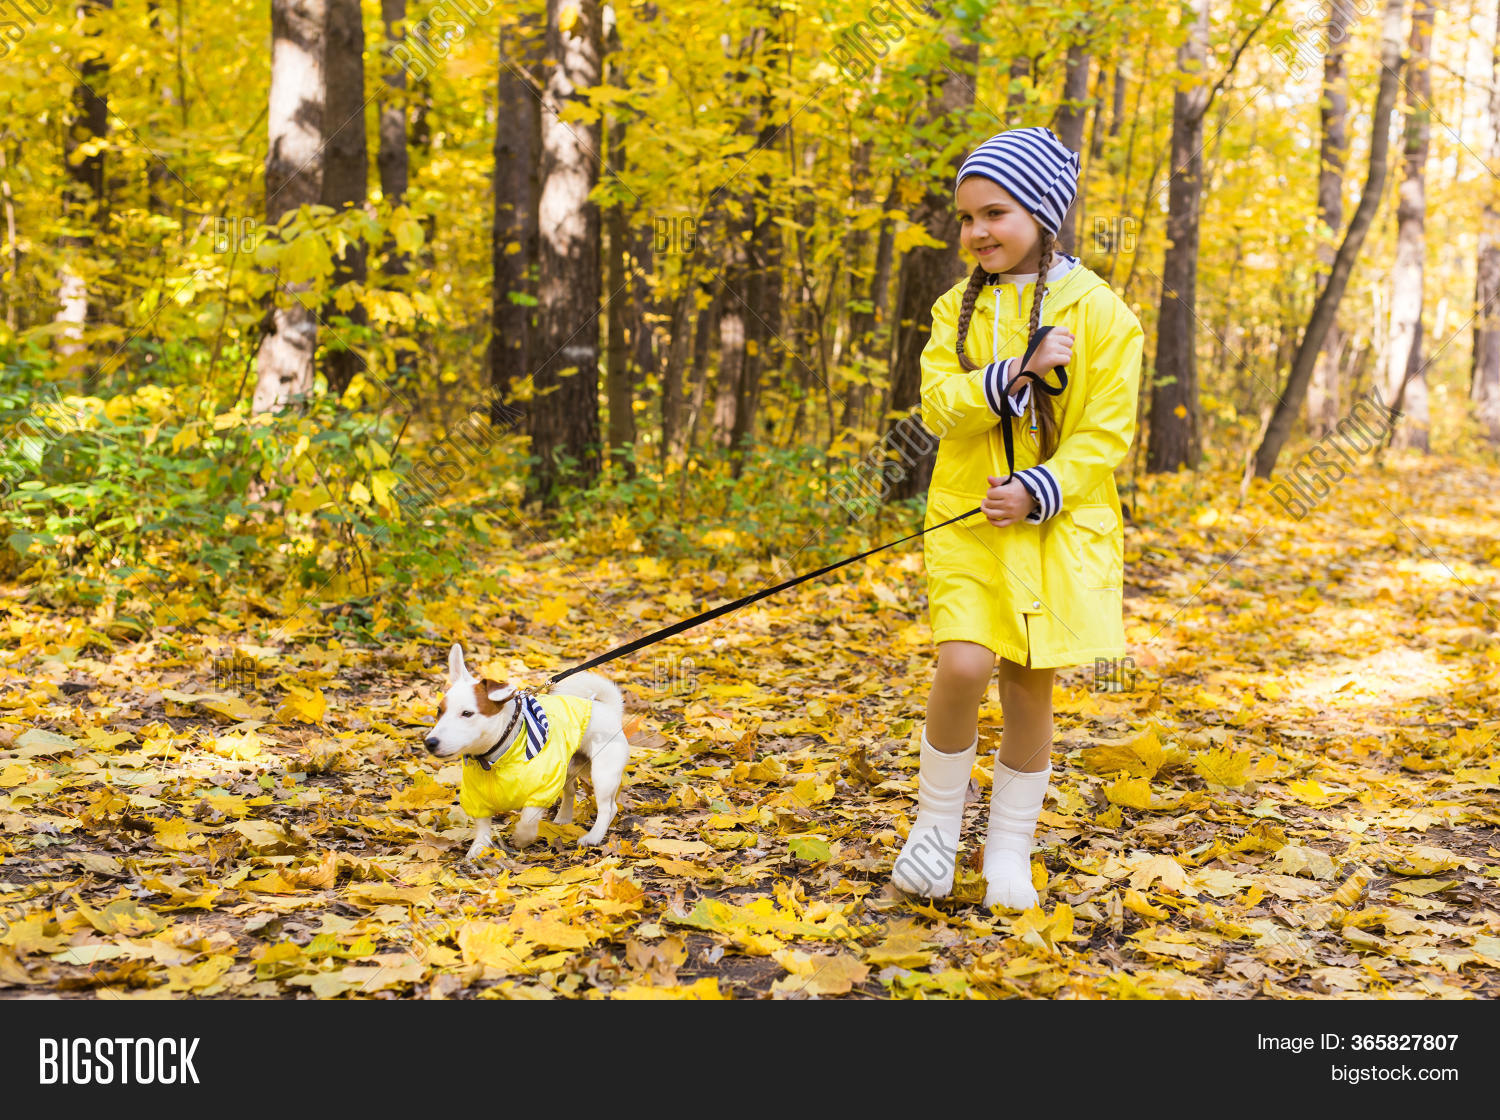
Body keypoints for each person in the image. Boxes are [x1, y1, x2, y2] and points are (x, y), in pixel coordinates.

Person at [890, 126, 1145, 910]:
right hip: (968, 521)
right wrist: (1015, 371)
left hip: (1055, 533)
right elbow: (940, 407)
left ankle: (1007, 849)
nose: (976, 232)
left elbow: (1106, 431)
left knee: (1031, 685)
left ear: (1042, 214)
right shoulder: (953, 310)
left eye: (994, 213)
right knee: (964, 664)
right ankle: (933, 834)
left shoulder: (1102, 313)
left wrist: (1041, 487)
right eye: (967, 218)